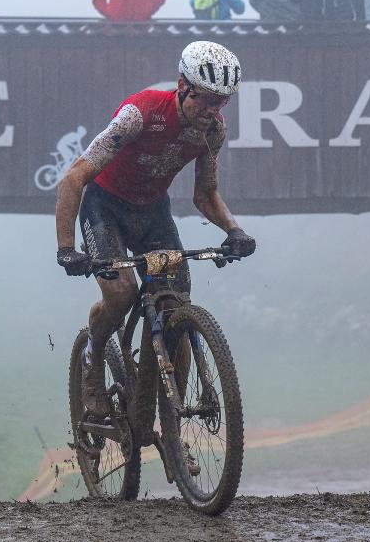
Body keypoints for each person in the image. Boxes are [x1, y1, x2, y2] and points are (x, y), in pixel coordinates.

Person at [55, 41, 257, 415]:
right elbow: (73, 179)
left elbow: (206, 194)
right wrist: (67, 248)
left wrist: (234, 230)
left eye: (222, 102)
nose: (212, 111)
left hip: (153, 214)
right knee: (122, 294)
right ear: (183, 85)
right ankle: (93, 359)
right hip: (106, 208)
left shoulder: (213, 130)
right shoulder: (139, 114)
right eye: (206, 99)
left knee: (175, 302)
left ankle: (173, 431)